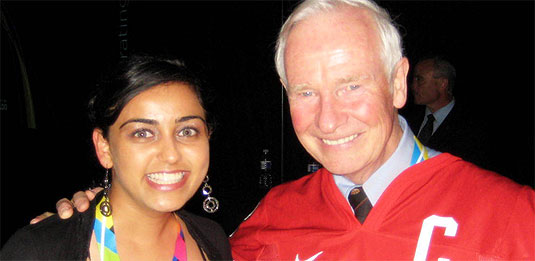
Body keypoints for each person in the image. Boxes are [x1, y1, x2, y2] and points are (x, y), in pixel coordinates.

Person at [37, 0, 535, 260]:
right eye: (305, 91)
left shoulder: (516, 218)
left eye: (350, 85)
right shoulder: (269, 220)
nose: (328, 118)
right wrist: (101, 214)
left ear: (398, 83)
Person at [1, 55, 232, 260]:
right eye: (142, 133)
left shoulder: (213, 239)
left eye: (187, 131)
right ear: (104, 148)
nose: (171, 155)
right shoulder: (38, 250)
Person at [405, 55, 490, 168]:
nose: (413, 86)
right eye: (414, 79)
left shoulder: (469, 127)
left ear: (442, 84)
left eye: (419, 80)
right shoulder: (407, 118)